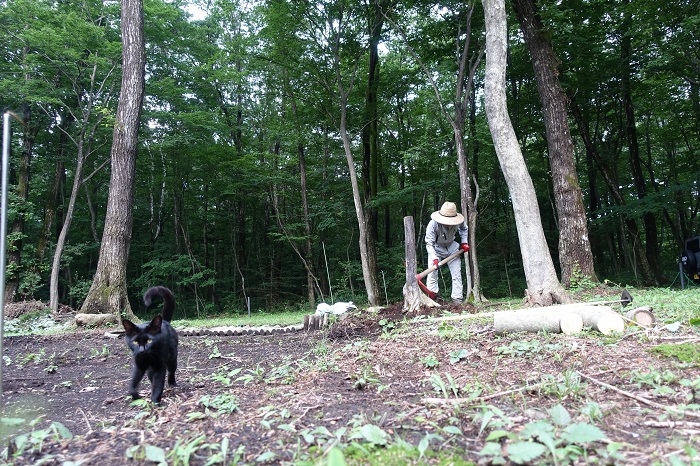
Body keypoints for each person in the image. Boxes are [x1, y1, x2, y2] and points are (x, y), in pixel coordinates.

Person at [425, 201, 470, 302]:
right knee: (432, 274)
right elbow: (429, 243)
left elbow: (464, 228)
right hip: (436, 248)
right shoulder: (432, 224)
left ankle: (457, 299)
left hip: (452, 247)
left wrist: (464, 242)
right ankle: (432, 298)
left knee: (457, 273)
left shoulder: (459, 221)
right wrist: (434, 258)